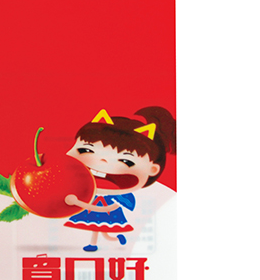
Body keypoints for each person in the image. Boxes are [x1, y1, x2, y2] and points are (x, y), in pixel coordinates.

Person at [63, 106, 176, 251]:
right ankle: (114, 239)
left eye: (126, 161)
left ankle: (95, 244)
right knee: (100, 230)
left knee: (98, 229)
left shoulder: (122, 197)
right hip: (92, 212)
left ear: (152, 170)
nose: (102, 161)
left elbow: (108, 208)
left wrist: (78, 203)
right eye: (85, 150)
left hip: (106, 215)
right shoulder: (81, 188)